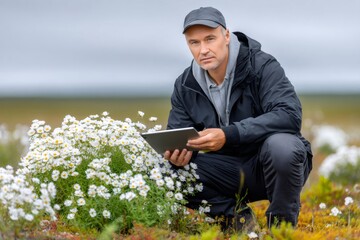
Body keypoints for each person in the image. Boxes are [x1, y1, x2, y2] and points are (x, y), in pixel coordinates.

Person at [164, 6, 312, 231]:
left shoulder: (262, 66)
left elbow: (288, 115)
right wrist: (177, 155)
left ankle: (282, 231)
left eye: (210, 39)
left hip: (273, 166)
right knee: (165, 171)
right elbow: (179, 135)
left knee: (282, 146)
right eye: (194, 43)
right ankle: (239, 221)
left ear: (226, 36)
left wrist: (228, 134)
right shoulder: (185, 84)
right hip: (228, 170)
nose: (203, 50)